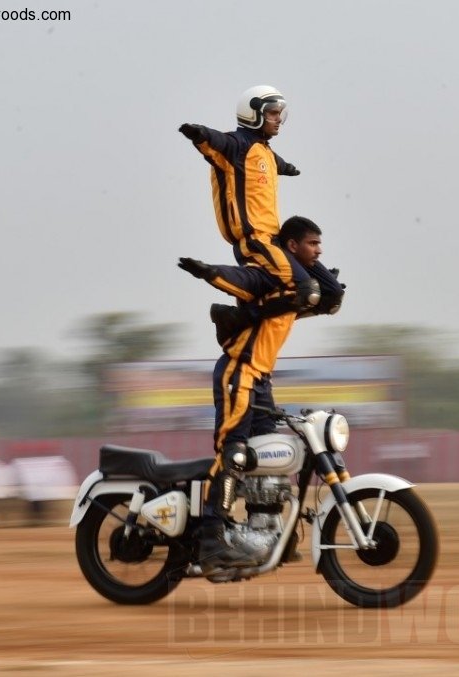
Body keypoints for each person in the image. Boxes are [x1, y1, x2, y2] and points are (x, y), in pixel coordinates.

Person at [192, 216, 340, 568]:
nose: (319, 251)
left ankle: (264, 530)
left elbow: (332, 297)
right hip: (238, 373)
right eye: (312, 244)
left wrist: (318, 269)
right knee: (235, 456)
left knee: (269, 457)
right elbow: (240, 278)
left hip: (260, 380)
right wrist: (210, 272)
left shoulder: (297, 292)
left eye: (320, 244)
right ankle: (210, 537)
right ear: (291, 246)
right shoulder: (269, 283)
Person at [178, 84, 323, 320]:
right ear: (254, 114)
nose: (278, 120)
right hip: (254, 238)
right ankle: (241, 318)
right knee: (306, 290)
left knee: (326, 297)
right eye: (273, 113)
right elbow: (218, 140)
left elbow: (276, 162)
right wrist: (198, 133)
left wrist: (288, 168)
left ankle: (250, 314)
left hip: (273, 238)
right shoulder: (237, 146)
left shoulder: (264, 150)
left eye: (280, 114)